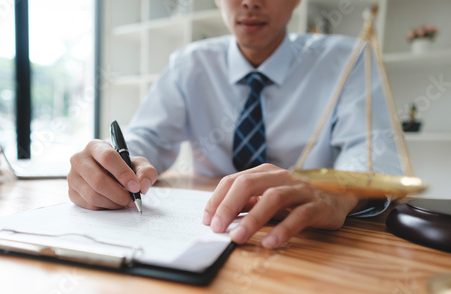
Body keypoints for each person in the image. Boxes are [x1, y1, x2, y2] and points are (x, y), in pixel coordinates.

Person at [68, 0, 401, 249]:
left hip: (306, 243)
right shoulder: (190, 63)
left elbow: (373, 154)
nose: (250, 2)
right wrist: (116, 166)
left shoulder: (349, 59)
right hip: (208, 233)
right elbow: (147, 137)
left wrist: (337, 192)